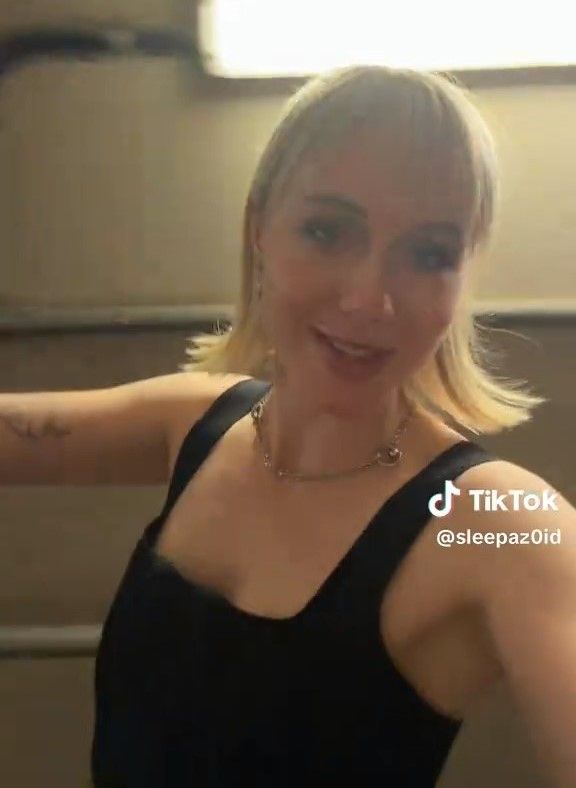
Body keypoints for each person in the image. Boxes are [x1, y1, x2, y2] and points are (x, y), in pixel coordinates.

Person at [90, 64, 576, 786]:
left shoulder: (498, 519)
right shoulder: (197, 418)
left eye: (429, 254)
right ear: (260, 229)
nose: (370, 300)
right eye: (327, 231)